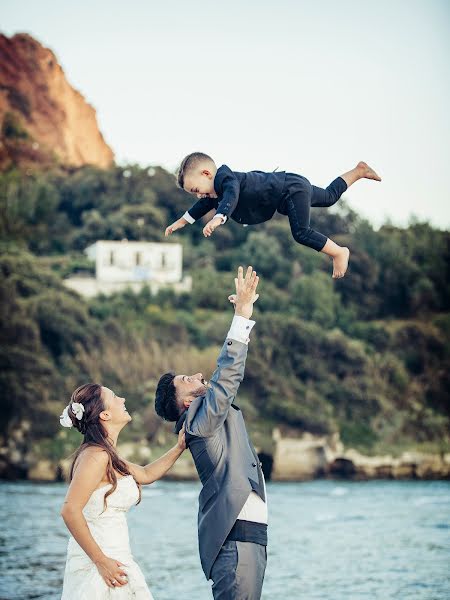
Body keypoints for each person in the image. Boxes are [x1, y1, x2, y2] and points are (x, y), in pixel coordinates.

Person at [154, 266, 267, 600]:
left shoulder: (205, 420)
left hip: (249, 538)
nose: (198, 374)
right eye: (188, 380)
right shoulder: (200, 422)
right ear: (187, 403)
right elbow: (227, 376)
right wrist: (242, 314)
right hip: (236, 542)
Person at [59, 382, 186, 599]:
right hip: (101, 564)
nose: (123, 400)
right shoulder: (95, 456)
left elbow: (146, 474)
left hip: (116, 558)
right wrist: (101, 561)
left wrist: (180, 447)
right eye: (115, 397)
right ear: (105, 415)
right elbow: (70, 511)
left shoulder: (106, 455)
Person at [165, 152, 381, 278]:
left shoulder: (225, 179)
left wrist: (219, 217)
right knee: (329, 197)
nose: (199, 196)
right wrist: (181, 222)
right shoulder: (213, 191)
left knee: (301, 232)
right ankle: (359, 171)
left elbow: (232, 194)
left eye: (196, 190)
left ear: (207, 173)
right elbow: (201, 206)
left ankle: (339, 252)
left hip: (290, 190)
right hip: (292, 186)